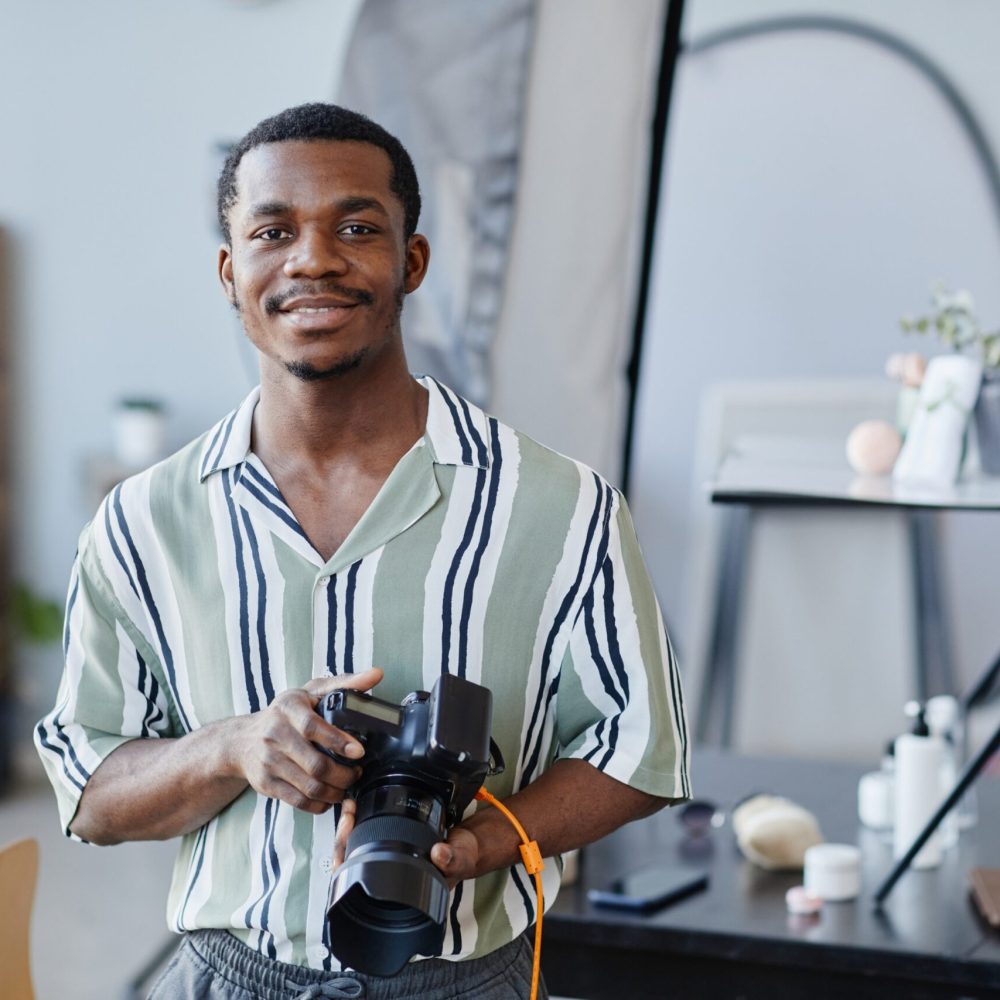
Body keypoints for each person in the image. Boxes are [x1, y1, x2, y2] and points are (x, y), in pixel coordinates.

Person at [36, 103, 690, 1000]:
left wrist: (484, 839)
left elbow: (643, 750)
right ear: (231, 273)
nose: (313, 258)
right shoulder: (141, 525)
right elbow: (90, 793)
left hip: (466, 981)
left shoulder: (561, 506)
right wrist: (234, 747)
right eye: (274, 231)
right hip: (227, 978)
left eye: (356, 226)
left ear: (410, 261)